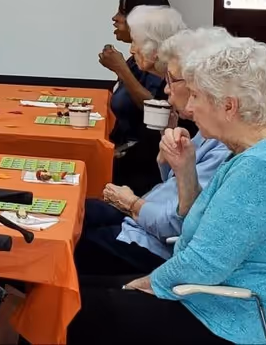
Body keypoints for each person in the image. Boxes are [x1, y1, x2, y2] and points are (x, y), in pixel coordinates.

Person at [68, 35, 266, 345]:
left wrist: (145, 283)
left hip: (228, 318)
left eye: (198, 97)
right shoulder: (263, 152)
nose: (190, 107)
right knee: (68, 292)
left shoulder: (264, 168)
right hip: (211, 297)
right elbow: (201, 230)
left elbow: (202, 264)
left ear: (229, 106)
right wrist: (185, 172)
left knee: (68, 311)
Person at [76, 27, 231, 277]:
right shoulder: (210, 131)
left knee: (57, 243)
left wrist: (131, 204)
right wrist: (168, 154)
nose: (166, 89)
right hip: (142, 223)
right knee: (67, 213)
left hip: (149, 244)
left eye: (171, 80)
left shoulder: (227, 146)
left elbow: (176, 223)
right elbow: (173, 189)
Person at [112, 5, 188, 194]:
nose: (131, 50)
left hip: (152, 190)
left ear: (154, 49)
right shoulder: (167, 84)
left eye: (135, 42)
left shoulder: (180, 92)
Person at [98, 0, 171, 149]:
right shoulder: (135, 59)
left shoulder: (156, 62)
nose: (115, 18)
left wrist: (121, 69)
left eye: (123, 13)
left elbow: (156, 107)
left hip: (140, 161)